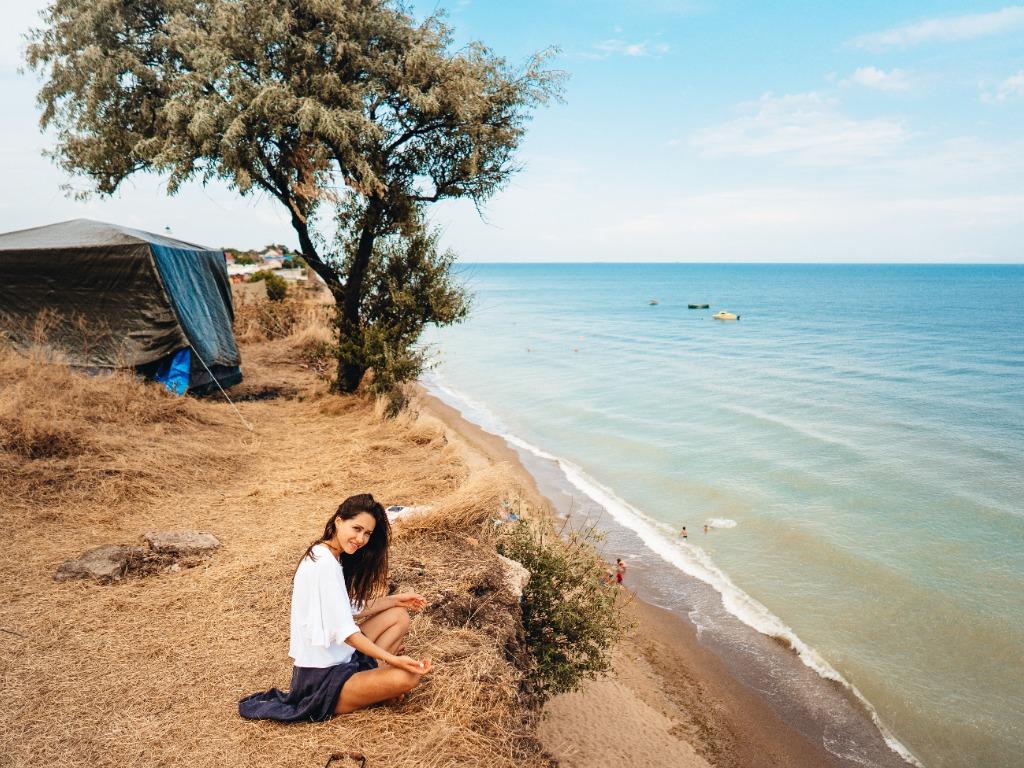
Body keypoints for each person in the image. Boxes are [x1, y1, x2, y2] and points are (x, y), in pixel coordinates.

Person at [239, 494, 431, 722]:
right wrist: (392, 659)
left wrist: (396, 600)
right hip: (322, 679)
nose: (360, 539)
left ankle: (376, 682)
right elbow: (347, 634)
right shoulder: (324, 564)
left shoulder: (328, 555)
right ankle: (378, 684)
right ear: (339, 521)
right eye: (356, 528)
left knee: (398, 615)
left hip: (344, 660)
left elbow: (347, 607)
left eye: (367, 533)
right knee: (408, 677)